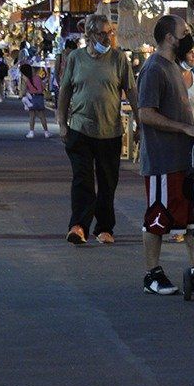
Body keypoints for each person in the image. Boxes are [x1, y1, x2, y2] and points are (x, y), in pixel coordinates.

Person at [137, 15, 194, 294]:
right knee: (158, 218)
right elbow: (145, 113)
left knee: (191, 218)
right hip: (162, 161)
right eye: (184, 32)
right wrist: (184, 128)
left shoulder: (175, 67)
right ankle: (152, 275)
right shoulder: (154, 68)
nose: (188, 37)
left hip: (183, 161)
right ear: (169, 38)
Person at [57, 14, 135, 247]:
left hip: (109, 130)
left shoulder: (119, 59)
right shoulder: (76, 58)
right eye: (102, 33)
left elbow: (131, 90)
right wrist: (62, 124)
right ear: (89, 35)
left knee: (107, 181)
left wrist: (140, 120)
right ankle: (78, 226)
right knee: (83, 179)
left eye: (110, 32)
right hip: (80, 128)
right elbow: (65, 92)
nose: (108, 37)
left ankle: (104, 227)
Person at [19, 63, 51, 139]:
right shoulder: (37, 77)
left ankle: (31, 132)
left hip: (31, 98)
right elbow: (43, 87)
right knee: (42, 116)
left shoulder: (25, 79)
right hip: (39, 97)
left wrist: (22, 95)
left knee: (32, 116)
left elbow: (23, 91)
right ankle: (46, 132)